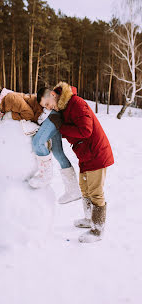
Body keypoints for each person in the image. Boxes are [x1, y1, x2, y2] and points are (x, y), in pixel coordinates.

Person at [36, 81, 114, 243]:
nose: (49, 108)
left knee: (95, 193)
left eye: (49, 104)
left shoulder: (76, 103)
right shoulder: (64, 106)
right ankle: (89, 220)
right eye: (46, 107)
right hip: (85, 154)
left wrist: (62, 127)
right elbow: (72, 128)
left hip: (96, 153)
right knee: (85, 189)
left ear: (53, 95)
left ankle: (97, 230)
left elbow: (85, 130)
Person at [0, 85, 81, 204]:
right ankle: (73, 190)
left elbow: (28, 114)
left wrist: (9, 116)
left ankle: (46, 176)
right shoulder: (3, 104)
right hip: (50, 116)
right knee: (58, 153)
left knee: (38, 143)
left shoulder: (9, 98)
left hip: (49, 115)